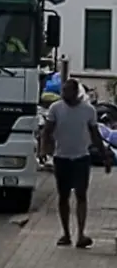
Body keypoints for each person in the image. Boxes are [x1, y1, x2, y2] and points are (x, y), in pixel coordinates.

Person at [41, 77, 111, 248]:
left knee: (81, 195)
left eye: (68, 91)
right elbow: (47, 131)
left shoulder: (88, 110)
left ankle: (80, 234)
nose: (64, 94)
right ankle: (66, 233)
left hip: (81, 157)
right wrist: (43, 149)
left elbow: (95, 135)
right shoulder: (55, 108)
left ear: (76, 92)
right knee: (63, 196)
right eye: (63, 91)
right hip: (61, 157)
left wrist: (104, 156)